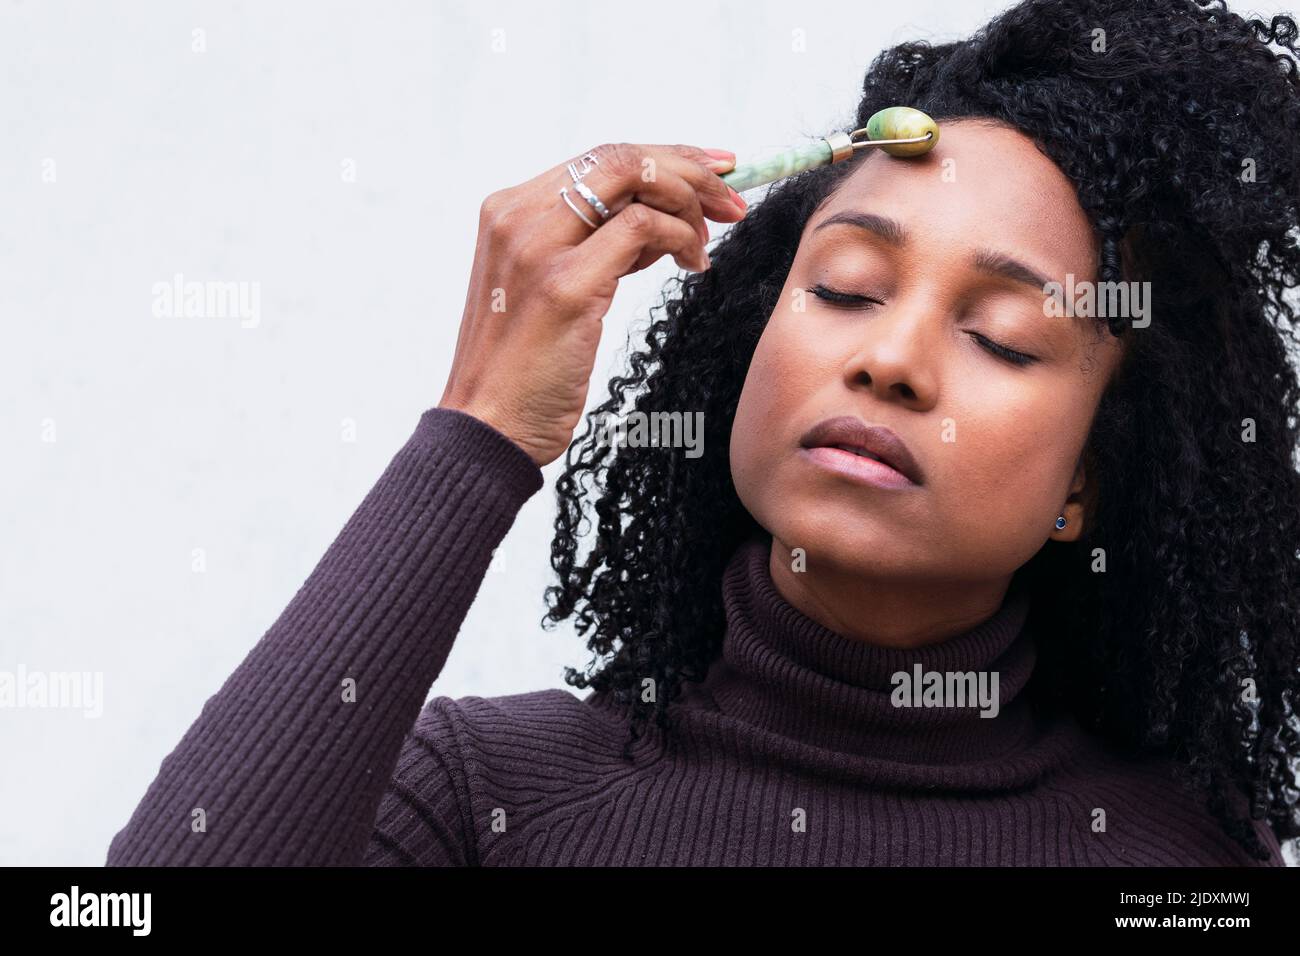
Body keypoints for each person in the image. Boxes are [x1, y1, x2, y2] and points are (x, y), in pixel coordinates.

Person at [106, 0, 1300, 866]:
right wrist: (477, 434)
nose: (886, 358)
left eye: (997, 334)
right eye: (842, 288)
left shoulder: (1184, 856)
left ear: (1085, 481)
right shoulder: (485, 798)